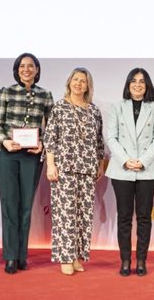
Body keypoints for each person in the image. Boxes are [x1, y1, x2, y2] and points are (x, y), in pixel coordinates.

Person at [0, 53, 53, 274]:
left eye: (31, 66)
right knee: (9, 205)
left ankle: (21, 255)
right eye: (22, 66)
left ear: (37, 70)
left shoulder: (45, 95)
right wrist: (5, 141)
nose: (26, 69)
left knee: (26, 207)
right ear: (16, 70)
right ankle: (10, 256)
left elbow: (52, 128)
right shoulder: (6, 92)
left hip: (31, 156)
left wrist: (43, 144)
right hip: (7, 155)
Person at [44, 67, 105, 276]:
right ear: (69, 82)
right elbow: (50, 139)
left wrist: (99, 165)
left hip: (87, 168)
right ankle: (65, 257)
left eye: (84, 81)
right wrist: (51, 165)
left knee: (84, 215)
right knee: (65, 215)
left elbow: (98, 142)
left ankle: (78, 256)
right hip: (64, 169)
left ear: (88, 86)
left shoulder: (94, 110)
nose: (79, 84)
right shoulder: (59, 108)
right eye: (76, 79)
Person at [105, 68, 154, 277]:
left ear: (147, 85)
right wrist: (126, 160)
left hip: (147, 170)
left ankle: (141, 260)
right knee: (124, 217)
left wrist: (142, 161)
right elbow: (111, 137)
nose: (138, 85)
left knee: (144, 217)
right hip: (122, 169)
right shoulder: (117, 107)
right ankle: (125, 260)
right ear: (128, 84)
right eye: (133, 81)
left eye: (142, 81)